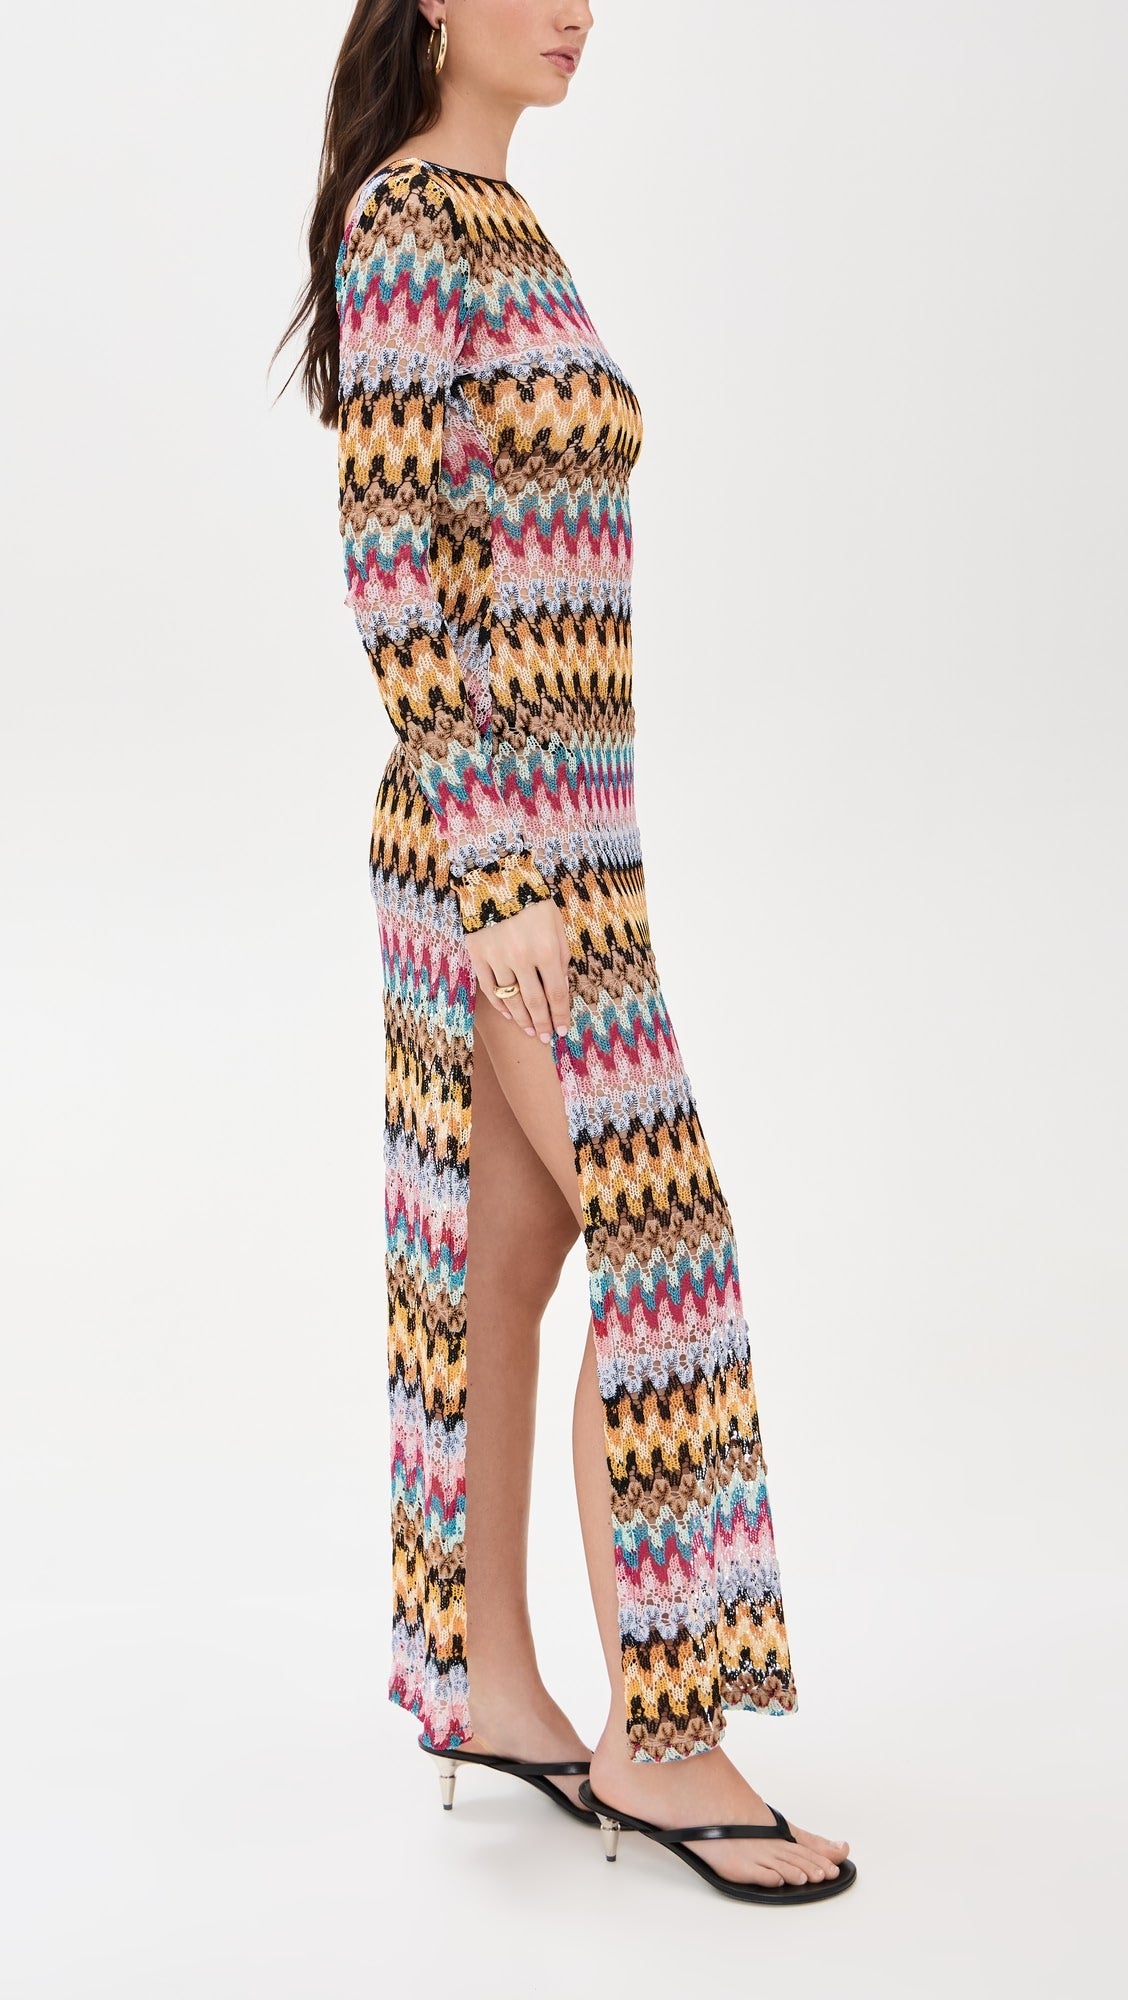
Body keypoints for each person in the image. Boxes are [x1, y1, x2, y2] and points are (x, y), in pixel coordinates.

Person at [274, 0, 855, 1903]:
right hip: (502, 854)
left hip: (582, 846)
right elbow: (389, 569)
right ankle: (665, 1743)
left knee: (512, 1261)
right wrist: (497, 865)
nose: (573, 7)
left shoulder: (513, 223)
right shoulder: (405, 223)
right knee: (671, 1247)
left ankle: (497, 1694)